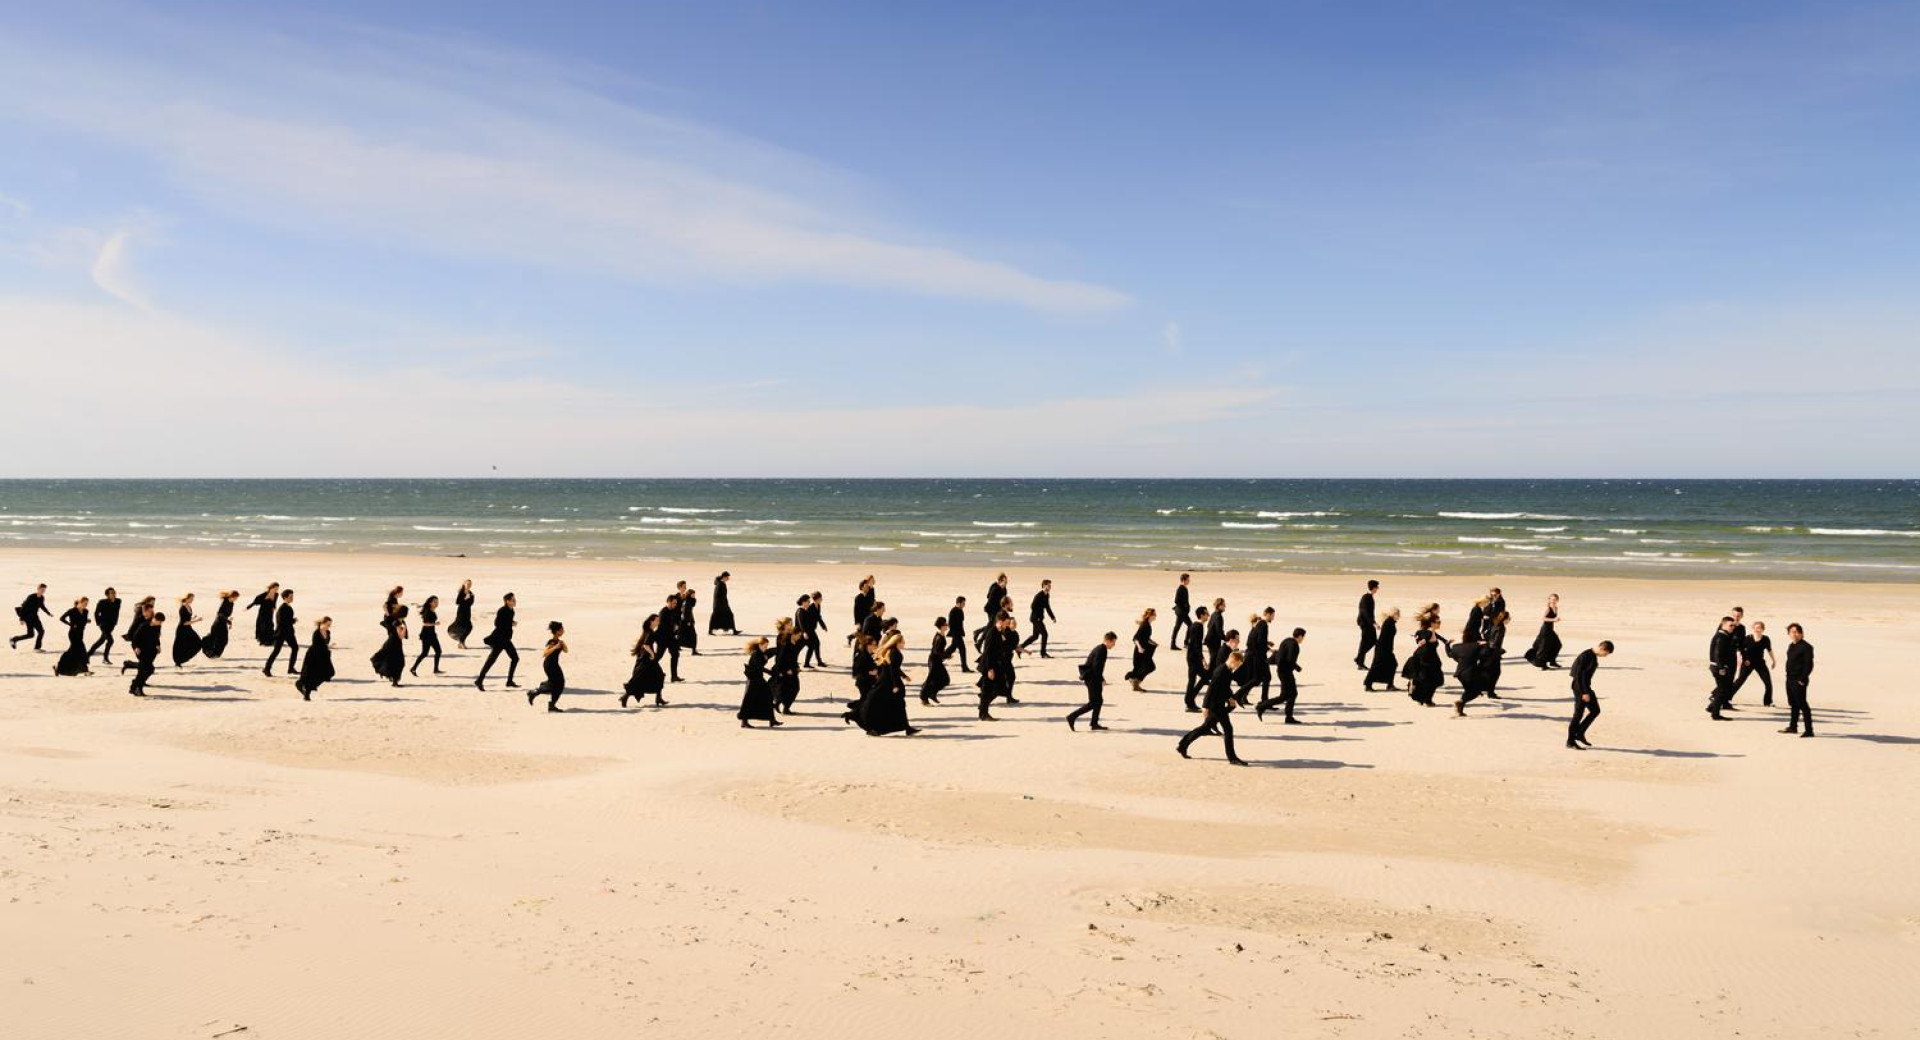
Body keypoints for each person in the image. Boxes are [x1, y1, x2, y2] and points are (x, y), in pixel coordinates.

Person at [1176, 650, 1248, 765]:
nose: (1237, 667)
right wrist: (1205, 707)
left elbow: (1225, 687)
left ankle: (1182, 745)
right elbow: (1211, 690)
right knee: (1228, 729)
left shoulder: (1227, 671)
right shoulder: (1221, 671)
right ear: (1233, 660)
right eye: (1238, 664)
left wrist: (1231, 698)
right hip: (1215, 706)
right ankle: (1232, 758)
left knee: (1204, 728)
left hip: (1219, 704)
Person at [861, 631, 918, 736]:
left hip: (886, 681)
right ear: (897, 642)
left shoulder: (891, 651)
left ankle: (907, 727)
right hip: (888, 682)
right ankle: (878, 728)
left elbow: (894, 668)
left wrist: (904, 676)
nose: (904, 643)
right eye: (903, 641)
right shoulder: (895, 653)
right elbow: (893, 670)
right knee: (895, 704)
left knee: (898, 704)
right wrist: (896, 685)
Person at [1566, 641, 1613, 749]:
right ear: (1602, 649)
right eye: (1606, 654)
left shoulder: (1591, 656)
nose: (1605, 656)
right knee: (1578, 715)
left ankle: (1580, 732)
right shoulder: (1586, 656)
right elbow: (1579, 676)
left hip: (1585, 686)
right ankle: (1570, 741)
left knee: (1595, 710)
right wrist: (1584, 692)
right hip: (1580, 687)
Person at [1068, 632, 1117, 731]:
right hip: (1092, 679)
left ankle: (1094, 723)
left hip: (1092, 677)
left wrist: (1101, 679)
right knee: (1094, 702)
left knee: (1098, 701)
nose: (1114, 645)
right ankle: (1072, 717)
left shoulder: (1101, 648)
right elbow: (1096, 667)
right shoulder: (1101, 650)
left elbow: (1097, 667)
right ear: (1108, 641)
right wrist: (1101, 680)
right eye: (1113, 642)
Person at [1257, 628, 1305, 722]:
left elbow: (1281, 654)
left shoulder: (1287, 640)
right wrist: (1297, 667)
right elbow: (1290, 659)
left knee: (1291, 694)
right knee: (1285, 696)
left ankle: (1288, 716)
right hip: (1285, 672)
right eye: (1303, 637)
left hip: (1282, 671)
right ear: (1299, 636)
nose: (1303, 639)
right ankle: (1261, 706)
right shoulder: (1294, 645)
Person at [620, 615, 669, 708]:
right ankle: (625, 697)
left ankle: (659, 698)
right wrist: (652, 654)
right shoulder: (650, 632)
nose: (658, 622)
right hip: (647, 659)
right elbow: (646, 645)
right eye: (657, 620)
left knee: (657, 675)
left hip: (645, 658)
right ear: (651, 621)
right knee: (642, 678)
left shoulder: (648, 631)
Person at [475, 593, 519, 690]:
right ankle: (479, 680)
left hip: (506, 639)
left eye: (514, 599)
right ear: (507, 601)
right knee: (491, 660)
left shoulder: (511, 611)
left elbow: (507, 621)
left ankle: (509, 681)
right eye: (513, 600)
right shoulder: (502, 610)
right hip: (500, 639)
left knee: (515, 658)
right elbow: (497, 623)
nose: (515, 601)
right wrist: (509, 623)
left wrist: (511, 622)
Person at [738, 637, 781, 728]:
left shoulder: (762, 652)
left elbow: (771, 652)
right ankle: (744, 721)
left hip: (758, 678)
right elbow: (759, 667)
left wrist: (780, 648)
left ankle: (771, 720)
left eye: (766, 646)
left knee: (768, 697)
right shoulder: (756, 654)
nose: (766, 648)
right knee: (749, 699)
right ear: (759, 645)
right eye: (765, 646)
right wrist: (771, 673)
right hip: (753, 680)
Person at [1782, 623, 1815, 737]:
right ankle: (1793, 727)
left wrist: (1802, 678)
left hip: (1799, 680)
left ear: (1801, 633)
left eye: (1796, 632)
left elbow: (1809, 665)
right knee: (1793, 704)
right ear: (1789, 634)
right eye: (1792, 632)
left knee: (1802, 704)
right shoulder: (1791, 645)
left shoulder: (1806, 647)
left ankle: (1809, 730)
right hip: (1789, 678)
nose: (1794, 634)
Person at [529, 621, 568, 711]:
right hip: (549, 665)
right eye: (562, 629)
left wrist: (563, 645)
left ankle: (551, 705)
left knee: (559, 684)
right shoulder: (552, 642)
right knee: (556, 684)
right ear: (557, 631)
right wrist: (555, 647)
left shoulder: (558, 641)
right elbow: (544, 653)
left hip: (554, 664)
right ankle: (535, 692)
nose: (563, 631)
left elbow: (566, 651)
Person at [1706, 615, 1739, 720]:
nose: (1732, 627)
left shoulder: (1723, 635)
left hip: (1717, 666)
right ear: (1723, 625)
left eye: (1734, 625)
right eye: (1730, 625)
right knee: (1722, 690)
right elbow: (1718, 654)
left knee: (1724, 689)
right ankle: (1715, 714)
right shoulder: (1722, 637)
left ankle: (1712, 708)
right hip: (1718, 667)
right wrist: (1721, 668)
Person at [295, 618, 335, 701]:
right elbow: (317, 645)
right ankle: (306, 693)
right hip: (314, 656)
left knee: (330, 672)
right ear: (322, 623)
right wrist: (327, 647)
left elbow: (324, 644)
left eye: (329, 625)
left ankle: (307, 687)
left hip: (324, 655)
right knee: (311, 675)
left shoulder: (328, 632)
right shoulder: (316, 633)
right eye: (327, 624)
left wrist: (328, 647)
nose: (328, 626)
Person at [1402, 628, 1444, 706]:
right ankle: (1427, 701)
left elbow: (1432, 636)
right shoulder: (1428, 633)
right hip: (1428, 657)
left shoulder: (1425, 632)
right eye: (1437, 621)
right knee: (1433, 680)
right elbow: (1428, 636)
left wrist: (1445, 641)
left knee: (1422, 678)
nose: (1439, 623)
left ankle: (1419, 697)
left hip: (1420, 654)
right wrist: (1425, 640)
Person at [128, 611, 165, 697]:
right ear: (155, 619)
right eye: (159, 621)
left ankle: (134, 687)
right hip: (141, 650)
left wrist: (158, 646)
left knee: (145, 670)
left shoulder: (158, 626)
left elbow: (156, 637)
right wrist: (136, 647)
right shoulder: (144, 626)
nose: (160, 624)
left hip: (152, 651)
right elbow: (135, 638)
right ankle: (137, 688)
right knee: (148, 669)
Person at [1740, 620, 1776, 708]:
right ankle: (1726, 698)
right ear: (1753, 628)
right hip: (1747, 663)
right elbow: (1741, 650)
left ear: (1763, 629)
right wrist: (1744, 660)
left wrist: (1774, 660)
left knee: (1768, 682)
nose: (1757, 629)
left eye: (1759, 628)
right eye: (1755, 628)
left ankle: (1768, 702)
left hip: (1760, 663)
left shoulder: (1765, 639)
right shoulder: (1747, 638)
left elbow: (1769, 650)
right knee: (1740, 681)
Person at [263, 590, 299, 676]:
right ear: (285, 597)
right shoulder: (282, 608)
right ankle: (266, 668)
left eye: (292, 596)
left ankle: (291, 668)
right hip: (281, 633)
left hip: (288, 633)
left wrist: (292, 621)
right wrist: (293, 620)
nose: (292, 598)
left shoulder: (288, 607)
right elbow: (281, 622)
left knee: (295, 648)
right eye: (290, 596)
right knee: (276, 651)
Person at [920, 616, 954, 705]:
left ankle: (932, 693)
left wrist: (945, 655)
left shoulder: (941, 635)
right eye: (946, 624)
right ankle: (924, 697)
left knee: (944, 680)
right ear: (942, 626)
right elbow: (936, 651)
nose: (947, 626)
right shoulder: (939, 637)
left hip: (937, 661)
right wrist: (946, 655)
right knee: (931, 680)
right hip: (934, 661)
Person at [1363, 609, 1399, 692]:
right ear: (1394, 614)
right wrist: (1386, 649)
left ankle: (1390, 684)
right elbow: (1384, 637)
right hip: (1383, 648)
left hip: (1386, 648)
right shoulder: (1388, 623)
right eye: (1397, 614)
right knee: (1377, 666)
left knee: (1392, 664)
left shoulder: (1391, 622)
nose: (1399, 616)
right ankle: (1368, 684)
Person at [371, 606, 408, 686]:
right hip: (395, 643)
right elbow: (401, 636)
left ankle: (394, 681)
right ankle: (395, 681)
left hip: (391, 642)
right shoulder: (397, 622)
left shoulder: (393, 620)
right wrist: (404, 628)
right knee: (399, 662)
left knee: (392, 661)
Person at [54, 597, 91, 676]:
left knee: (74, 651)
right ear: (79, 602)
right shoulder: (72, 611)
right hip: (73, 633)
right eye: (84, 603)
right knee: (81, 650)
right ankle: (85, 670)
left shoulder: (86, 611)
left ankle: (58, 667)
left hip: (80, 633)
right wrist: (70, 624)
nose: (86, 605)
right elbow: (62, 618)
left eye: (87, 603)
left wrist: (87, 621)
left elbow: (83, 620)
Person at [1183, 606, 1210, 711]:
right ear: (1202, 615)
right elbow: (1197, 645)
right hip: (1194, 658)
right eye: (1207, 614)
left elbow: (1189, 641)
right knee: (1202, 678)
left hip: (1191, 656)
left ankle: (1189, 700)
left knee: (1195, 679)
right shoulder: (1199, 626)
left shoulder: (1193, 625)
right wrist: (1203, 660)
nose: (1208, 615)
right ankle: (1189, 701)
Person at [1524, 594, 1562, 669]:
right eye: (1552, 599)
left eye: (1555, 599)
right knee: (1544, 647)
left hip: (1550, 629)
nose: (1554, 601)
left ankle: (1552, 661)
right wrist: (1554, 620)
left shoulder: (1556, 608)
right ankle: (1543, 665)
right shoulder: (1548, 608)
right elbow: (1543, 618)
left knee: (1557, 644)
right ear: (1549, 600)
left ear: (1557, 600)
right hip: (1545, 630)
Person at [1020, 579, 1057, 657]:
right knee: (1045, 634)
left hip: (1038, 619)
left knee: (1035, 636)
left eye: (1050, 586)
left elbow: (1047, 607)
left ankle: (1020, 648)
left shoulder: (1046, 595)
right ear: (1044, 586)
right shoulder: (1039, 595)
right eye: (1048, 585)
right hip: (1036, 619)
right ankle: (1043, 653)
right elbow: (1032, 606)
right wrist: (1038, 616)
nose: (1050, 587)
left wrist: (1052, 617)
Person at [1123, 608, 1157, 691]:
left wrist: (1152, 642)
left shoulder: (1146, 624)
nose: (1156, 616)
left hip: (1144, 650)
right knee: (1150, 667)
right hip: (1140, 651)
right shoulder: (1145, 625)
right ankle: (1132, 678)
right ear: (1150, 616)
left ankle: (1135, 682)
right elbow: (1136, 638)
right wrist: (1140, 647)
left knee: (1144, 667)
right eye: (1154, 615)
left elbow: (1145, 637)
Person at [773, 625, 805, 713]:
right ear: (793, 635)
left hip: (793, 669)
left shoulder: (796, 643)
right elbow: (780, 658)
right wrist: (782, 671)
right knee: (791, 688)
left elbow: (794, 657)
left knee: (794, 688)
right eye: (798, 635)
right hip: (785, 670)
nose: (799, 637)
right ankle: (784, 707)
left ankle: (781, 705)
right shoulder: (786, 644)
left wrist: (797, 668)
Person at [11, 583, 50, 651]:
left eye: (44, 590)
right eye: (42, 590)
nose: (43, 591)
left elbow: (42, 606)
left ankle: (36, 648)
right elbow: (24, 607)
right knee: (32, 634)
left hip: (35, 616)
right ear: (38, 589)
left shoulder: (42, 597)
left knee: (38, 632)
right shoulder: (31, 597)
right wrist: (21, 619)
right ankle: (14, 639)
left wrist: (48, 613)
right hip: (27, 617)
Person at [411, 595, 443, 676]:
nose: (436, 603)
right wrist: (435, 624)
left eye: (437, 602)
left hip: (432, 634)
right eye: (435, 602)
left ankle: (436, 669)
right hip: (426, 635)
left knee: (438, 651)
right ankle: (413, 668)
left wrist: (434, 624)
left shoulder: (432, 611)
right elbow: (425, 623)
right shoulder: (427, 611)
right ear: (430, 602)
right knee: (424, 653)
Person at [89, 587, 122, 664]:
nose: (114, 594)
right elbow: (96, 613)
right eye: (111, 593)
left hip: (112, 624)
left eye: (114, 593)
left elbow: (115, 611)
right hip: (104, 624)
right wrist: (99, 623)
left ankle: (87, 655)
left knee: (101, 641)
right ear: (107, 595)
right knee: (110, 641)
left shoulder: (118, 601)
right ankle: (105, 658)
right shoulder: (102, 602)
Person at [201, 590, 237, 660]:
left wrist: (229, 620)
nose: (236, 599)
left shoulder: (232, 603)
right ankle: (209, 649)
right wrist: (227, 620)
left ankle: (216, 655)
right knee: (215, 639)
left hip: (223, 623)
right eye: (236, 597)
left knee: (224, 640)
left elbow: (225, 614)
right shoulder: (225, 602)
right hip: (218, 623)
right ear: (232, 596)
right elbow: (219, 614)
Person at [171, 593, 204, 667]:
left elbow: (187, 619)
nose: (192, 600)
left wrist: (193, 618)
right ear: (187, 598)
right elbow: (184, 623)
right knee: (181, 646)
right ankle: (178, 662)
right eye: (192, 598)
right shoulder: (182, 608)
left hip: (188, 628)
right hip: (182, 629)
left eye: (193, 598)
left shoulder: (189, 606)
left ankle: (181, 661)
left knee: (198, 643)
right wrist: (197, 620)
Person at [1354, 579, 1378, 670]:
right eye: (1377, 587)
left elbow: (1369, 612)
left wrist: (1373, 622)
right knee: (1365, 642)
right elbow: (1365, 612)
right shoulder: (1366, 597)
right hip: (1365, 623)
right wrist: (1373, 623)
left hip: (1368, 622)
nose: (1378, 589)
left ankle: (1359, 659)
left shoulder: (1369, 596)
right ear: (1374, 588)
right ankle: (1360, 663)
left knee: (1372, 641)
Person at [447, 581, 476, 648]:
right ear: (464, 584)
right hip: (461, 612)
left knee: (467, 627)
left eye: (470, 584)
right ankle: (460, 641)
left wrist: (472, 597)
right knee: (468, 626)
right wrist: (465, 598)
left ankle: (461, 642)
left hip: (468, 612)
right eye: (468, 584)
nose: (469, 585)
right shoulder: (462, 592)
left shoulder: (471, 593)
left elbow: (470, 604)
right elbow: (457, 602)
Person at [945, 596, 970, 672]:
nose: (964, 605)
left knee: (952, 648)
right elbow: (950, 624)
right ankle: (964, 667)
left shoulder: (960, 610)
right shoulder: (953, 611)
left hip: (958, 633)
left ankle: (938, 658)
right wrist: (955, 634)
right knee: (962, 649)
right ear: (958, 603)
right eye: (963, 603)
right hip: (956, 633)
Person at [847, 578, 873, 647]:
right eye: (865, 586)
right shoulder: (858, 597)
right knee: (861, 631)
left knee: (863, 631)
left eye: (868, 586)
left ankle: (850, 637)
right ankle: (852, 638)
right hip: (861, 618)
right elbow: (856, 610)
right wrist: (857, 622)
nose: (867, 587)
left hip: (868, 617)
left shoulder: (869, 596)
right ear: (861, 587)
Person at [1204, 598, 1227, 672]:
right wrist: (1226, 638)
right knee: (1214, 659)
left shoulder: (1214, 614)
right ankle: (1208, 676)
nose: (1225, 606)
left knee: (1214, 659)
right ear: (1219, 606)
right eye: (1223, 605)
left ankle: (1210, 675)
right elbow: (1218, 631)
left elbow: (1209, 626)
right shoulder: (1218, 616)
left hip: (1209, 639)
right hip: (1213, 641)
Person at [1170, 574, 1192, 651]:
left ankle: (1175, 644)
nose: (1189, 581)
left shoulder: (1184, 588)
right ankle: (1185, 643)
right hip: (1181, 612)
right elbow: (1176, 600)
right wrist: (1185, 605)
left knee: (1178, 627)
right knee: (1190, 625)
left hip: (1182, 612)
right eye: (1188, 580)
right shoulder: (1180, 589)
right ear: (1183, 580)